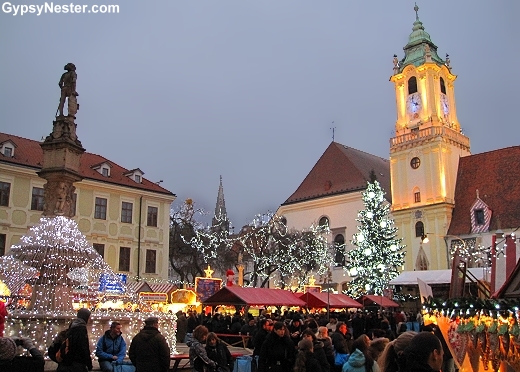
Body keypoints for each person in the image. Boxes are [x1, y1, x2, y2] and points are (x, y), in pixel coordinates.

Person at [55, 307, 93, 372]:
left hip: (67, 359)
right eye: (89, 317)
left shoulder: (73, 324)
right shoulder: (81, 328)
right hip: (76, 362)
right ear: (85, 317)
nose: (90, 319)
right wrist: (89, 364)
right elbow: (84, 348)